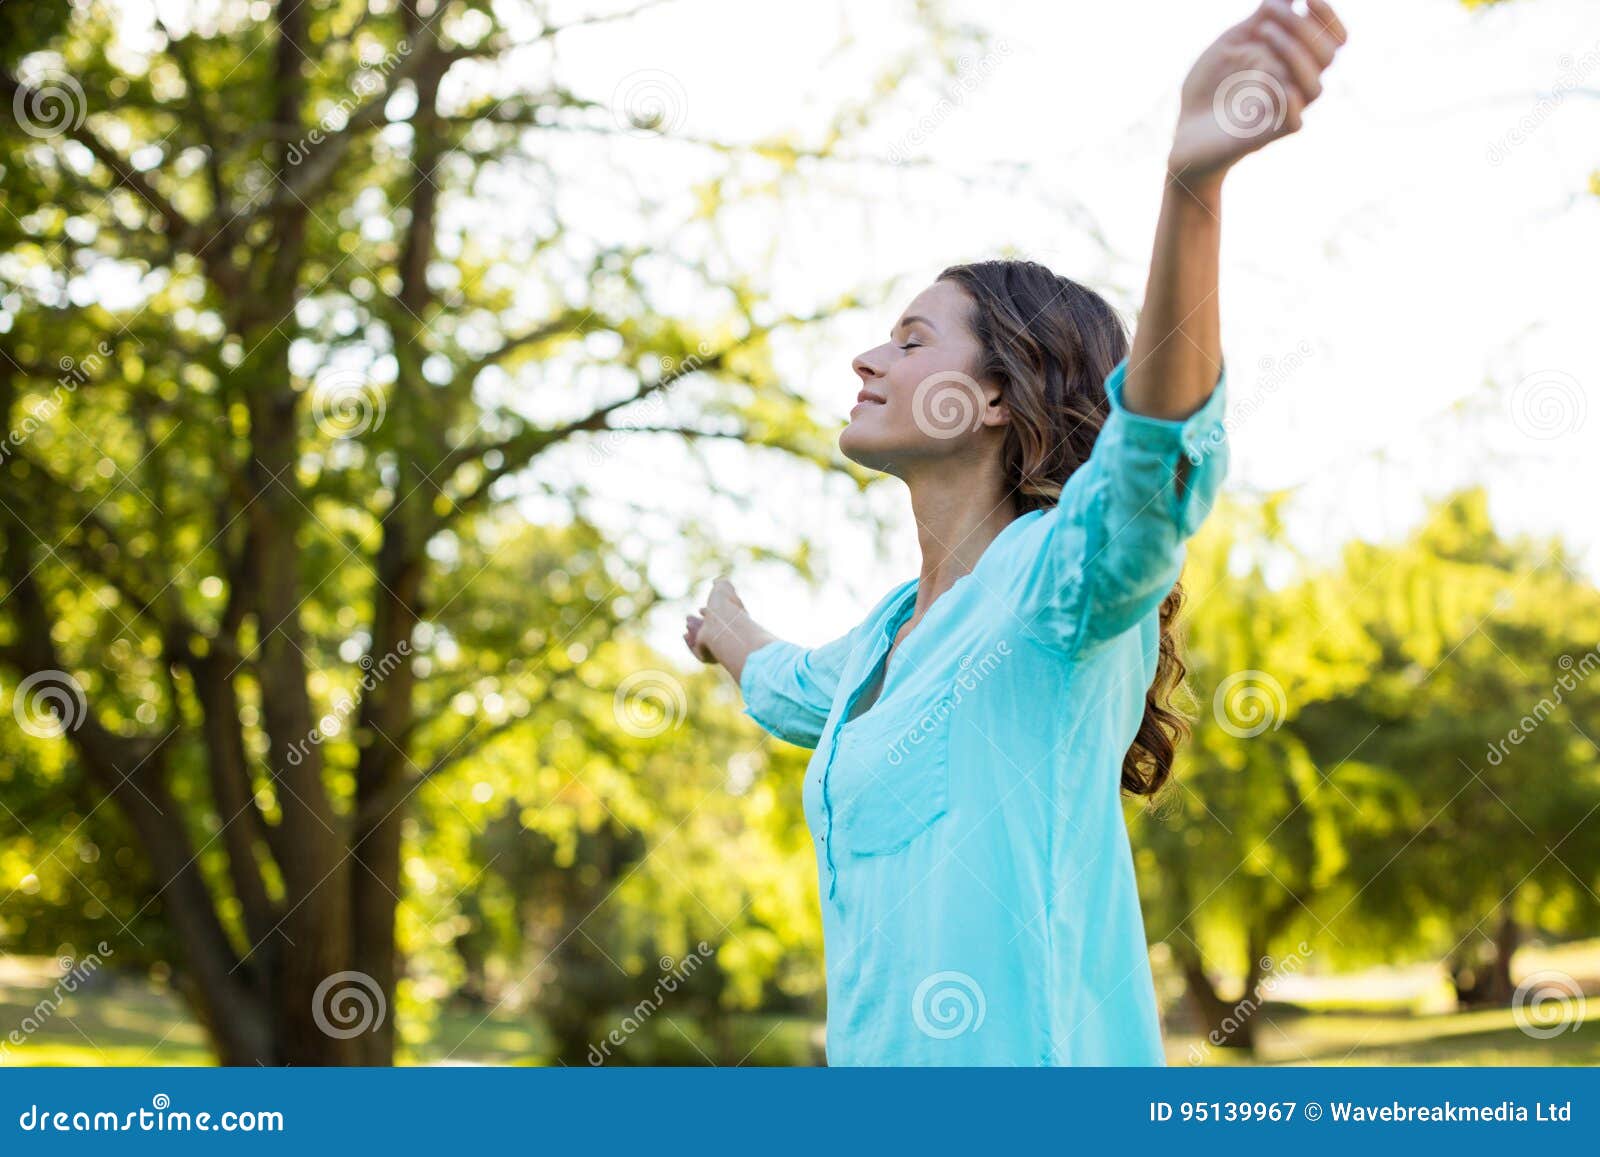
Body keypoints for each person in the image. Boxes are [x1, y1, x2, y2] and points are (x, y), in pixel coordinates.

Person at [684, 0, 1347, 1066]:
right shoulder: (881, 646)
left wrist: (1191, 187)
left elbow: (1151, 456)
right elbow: (794, 684)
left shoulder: (1055, 588)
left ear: (998, 398)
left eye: (908, 340)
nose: (866, 359)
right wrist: (726, 631)